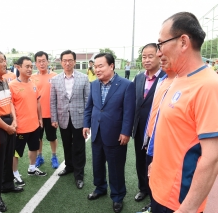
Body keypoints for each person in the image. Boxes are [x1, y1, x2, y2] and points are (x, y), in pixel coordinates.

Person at [149, 12, 218, 213]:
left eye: (161, 44)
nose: (158, 52)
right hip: (159, 189)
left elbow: (212, 158)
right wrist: (156, 162)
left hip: (178, 201)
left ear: (183, 42)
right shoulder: (177, 78)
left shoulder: (209, 86)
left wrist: (187, 209)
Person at [83, 53, 135, 213]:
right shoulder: (94, 84)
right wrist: (86, 124)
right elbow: (89, 107)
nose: (96, 69)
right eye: (95, 66)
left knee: (115, 167)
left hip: (116, 134)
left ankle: (118, 196)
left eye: (100, 66)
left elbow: (129, 112)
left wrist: (126, 132)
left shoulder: (126, 85)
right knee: (97, 164)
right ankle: (100, 188)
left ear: (111, 66)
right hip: (97, 132)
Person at [0, 50, 24, 211]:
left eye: (5, 60)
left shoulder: (4, 80)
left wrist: (14, 120)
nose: (4, 63)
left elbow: (10, 103)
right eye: (1, 60)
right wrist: (7, 126)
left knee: (8, 158)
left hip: (9, 122)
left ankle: (8, 185)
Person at [50, 50, 90, 189]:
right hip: (63, 118)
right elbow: (53, 101)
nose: (67, 63)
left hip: (79, 118)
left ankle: (79, 174)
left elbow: (87, 101)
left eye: (70, 60)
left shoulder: (83, 78)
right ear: (61, 62)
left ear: (74, 61)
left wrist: (87, 121)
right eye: (65, 60)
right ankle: (69, 166)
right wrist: (54, 118)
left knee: (79, 147)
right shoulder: (55, 80)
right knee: (66, 144)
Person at [132, 43, 165, 206]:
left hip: (157, 132)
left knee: (155, 163)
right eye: (144, 57)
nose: (146, 60)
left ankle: (155, 196)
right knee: (140, 160)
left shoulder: (166, 78)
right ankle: (143, 188)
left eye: (150, 56)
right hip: (139, 129)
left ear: (159, 55)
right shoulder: (138, 78)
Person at [10, 56, 47, 187]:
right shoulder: (12, 85)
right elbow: (10, 106)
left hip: (34, 125)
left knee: (34, 148)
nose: (30, 69)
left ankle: (32, 168)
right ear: (18, 67)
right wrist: (14, 121)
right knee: (16, 153)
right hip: (20, 127)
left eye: (31, 66)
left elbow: (37, 102)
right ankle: (14, 174)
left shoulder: (33, 84)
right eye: (27, 66)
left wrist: (40, 118)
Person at [30, 51, 59, 169]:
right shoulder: (31, 78)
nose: (41, 63)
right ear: (35, 63)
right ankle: (39, 156)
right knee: (38, 138)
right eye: (39, 61)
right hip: (37, 115)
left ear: (48, 62)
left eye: (43, 61)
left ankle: (54, 156)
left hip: (51, 114)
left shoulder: (55, 76)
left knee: (52, 137)